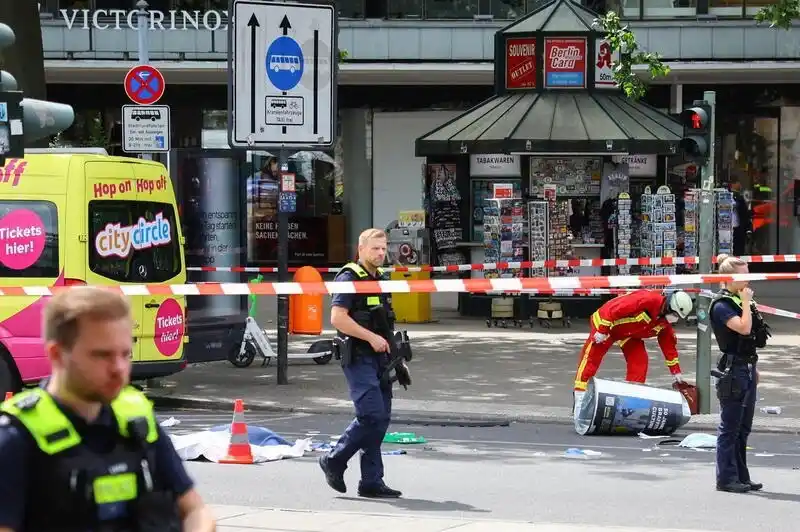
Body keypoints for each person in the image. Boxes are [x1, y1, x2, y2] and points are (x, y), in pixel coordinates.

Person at [0, 286, 216, 532]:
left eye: (125, 354)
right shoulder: (16, 439)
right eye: (102, 355)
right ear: (57, 355)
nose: (119, 368)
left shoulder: (137, 417)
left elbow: (196, 510)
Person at [318, 228, 402, 499]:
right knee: (370, 415)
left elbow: (386, 324)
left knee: (381, 419)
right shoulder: (349, 276)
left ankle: (371, 481)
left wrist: (398, 359)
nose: (381, 253)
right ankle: (334, 460)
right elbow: (338, 318)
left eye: (384, 248)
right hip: (359, 356)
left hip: (381, 358)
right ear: (361, 248)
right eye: (375, 248)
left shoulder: (380, 278)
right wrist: (370, 338)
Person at [573, 289, 694, 410]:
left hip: (628, 333)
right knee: (592, 356)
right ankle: (580, 396)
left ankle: (630, 401)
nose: (676, 319)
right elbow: (614, 309)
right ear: (668, 307)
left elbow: (668, 346)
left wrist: (676, 371)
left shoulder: (664, 322)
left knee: (640, 361)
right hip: (608, 323)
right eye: (675, 315)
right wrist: (602, 330)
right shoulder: (647, 299)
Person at [710, 254, 769, 493]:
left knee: (744, 428)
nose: (747, 279)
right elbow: (743, 329)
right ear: (728, 278)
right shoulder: (723, 305)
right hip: (733, 370)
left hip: (747, 366)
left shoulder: (739, 301)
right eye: (743, 275)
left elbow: (755, 336)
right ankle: (726, 478)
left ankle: (741, 476)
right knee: (730, 426)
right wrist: (746, 303)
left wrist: (754, 368)